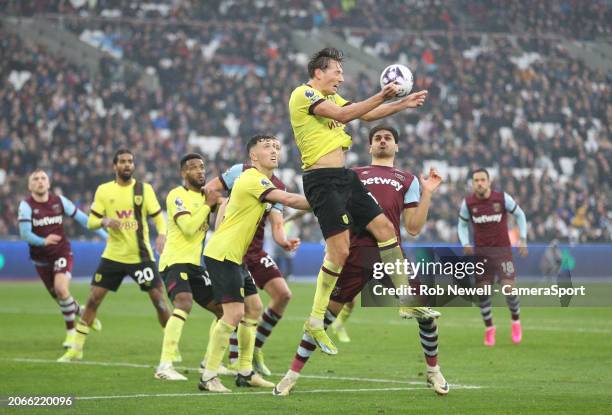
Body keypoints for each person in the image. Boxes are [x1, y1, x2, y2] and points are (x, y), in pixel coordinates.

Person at [274, 125, 447, 396]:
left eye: (388, 138)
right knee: (325, 316)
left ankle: (433, 372)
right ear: (369, 147)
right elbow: (316, 202)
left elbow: (413, 227)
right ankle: (291, 375)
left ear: (396, 146)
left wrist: (427, 192)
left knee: (424, 314)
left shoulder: (408, 179)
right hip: (355, 251)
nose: (382, 141)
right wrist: (288, 218)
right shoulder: (351, 175)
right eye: (377, 138)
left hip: (391, 254)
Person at [288, 47, 433, 355]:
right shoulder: (303, 95)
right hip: (322, 181)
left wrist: (401, 103)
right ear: (318, 73)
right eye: (337, 72)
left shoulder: (331, 99)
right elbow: (344, 116)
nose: (341, 77)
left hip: (343, 178)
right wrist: (383, 94)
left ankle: (407, 299)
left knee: (384, 228)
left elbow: (364, 114)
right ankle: (315, 320)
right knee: (339, 253)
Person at [199, 135, 310, 393]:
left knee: (254, 308)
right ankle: (208, 375)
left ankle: (245, 372)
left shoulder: (270, 183)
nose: (273, 151)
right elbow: (290, 200)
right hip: (223, 253)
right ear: (253, 156)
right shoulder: (250, 178)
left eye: (276, 147)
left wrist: (283, 239)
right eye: (266, 147)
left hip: (237, 256)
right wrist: (323, 199)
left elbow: (279, 218)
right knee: (234, 314)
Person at [58, 149, 171, 362]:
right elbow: (91, 221)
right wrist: (104, 221)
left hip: (141, 256)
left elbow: (158, 217)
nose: (127, 165)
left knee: (159, 301)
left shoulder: (143, 189)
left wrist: (162, 235)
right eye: (123, 161)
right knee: (92, 300)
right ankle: (76, 349)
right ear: (115, 166)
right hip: (113, 256)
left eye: (130, 161)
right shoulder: (104, 190)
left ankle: (171, 348)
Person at [18, 169, 107, 348]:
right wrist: (44, 241)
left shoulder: (59, 201)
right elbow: (24, 234)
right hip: (40, 260)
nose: (40, 181)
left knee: (61, 288)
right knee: (60, 297)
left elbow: (84, 219)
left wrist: (106, 236)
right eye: (35, 179)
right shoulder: (26, 206)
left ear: (49, 183)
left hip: (61, 252)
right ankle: (83, 312)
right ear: (30, 186)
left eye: (43, 178)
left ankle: (71, 334)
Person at [154, 153, 224, 380]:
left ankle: (209, 362)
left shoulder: (206, 198)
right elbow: (188, 228)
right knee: (183, 303)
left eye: (203, 167)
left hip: (195, 265)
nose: (200, 171)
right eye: (194, 167)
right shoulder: (177, 195)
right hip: (174, 261)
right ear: (184, 173)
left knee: (223, 310)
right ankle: (164, 366)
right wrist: (208, 205)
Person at [457, 168, 528, 346]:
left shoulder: (502, 198)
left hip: (503, 252)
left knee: (509, 288)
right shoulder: (468, 203)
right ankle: (490, 328)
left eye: (482, 180)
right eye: (476, 180)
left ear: (489, 182)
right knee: (483, 294)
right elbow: (462, 225)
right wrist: (465, 243)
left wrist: (523, 238)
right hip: (481, 254)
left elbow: (520, 215)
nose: (479, 183)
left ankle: (516, 322)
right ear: (472, 184)